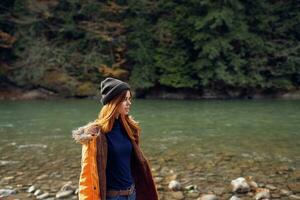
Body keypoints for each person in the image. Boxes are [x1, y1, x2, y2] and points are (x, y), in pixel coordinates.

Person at [72, 77, 158, 200]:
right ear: (114, 102)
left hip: (132, 194)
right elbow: (87, 175)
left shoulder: (129, 128)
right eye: (124, 99)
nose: (129, 103)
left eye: (129, 99)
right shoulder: (95, 134)